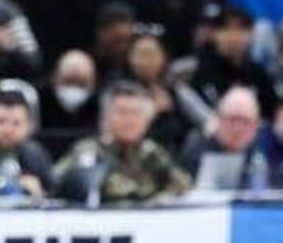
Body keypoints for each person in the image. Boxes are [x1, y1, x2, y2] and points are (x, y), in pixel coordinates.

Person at [53, 81, 190, 205]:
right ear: (106, 118)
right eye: (122, 113)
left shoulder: (151, 152)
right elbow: (56, 185)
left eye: (136, 113)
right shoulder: (89, 151)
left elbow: (183, 186)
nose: (129, 120)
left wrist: (157, 201)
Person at [177, 87, 267, 188]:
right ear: (219, 120)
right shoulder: (196, 151)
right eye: (232, 119)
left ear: (255, 126)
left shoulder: (260, 152)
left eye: (245, 121)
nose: (238, 128)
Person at [39, 49, 98, 132]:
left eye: (80, 84)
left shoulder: (97, 106)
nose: (74, 91)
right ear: (54, 79)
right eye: (68, 82)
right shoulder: (42, 103)